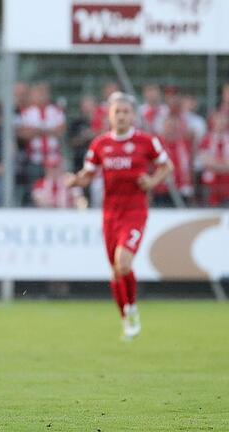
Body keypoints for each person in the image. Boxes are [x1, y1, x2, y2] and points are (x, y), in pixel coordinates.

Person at [66, 92, 173, 341]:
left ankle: (132, 308)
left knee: (123, 262)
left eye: (126, 111)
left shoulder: (146, 142)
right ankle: (126, 320)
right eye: (117, 112)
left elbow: (166, 166)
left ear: (133, 115)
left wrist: (152, 181)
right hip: (110, 213)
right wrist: (75, 181)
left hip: (135, 211)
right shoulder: (101, 144)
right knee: (115, 271)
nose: (122, 116)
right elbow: (88, 173)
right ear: (110, 116)